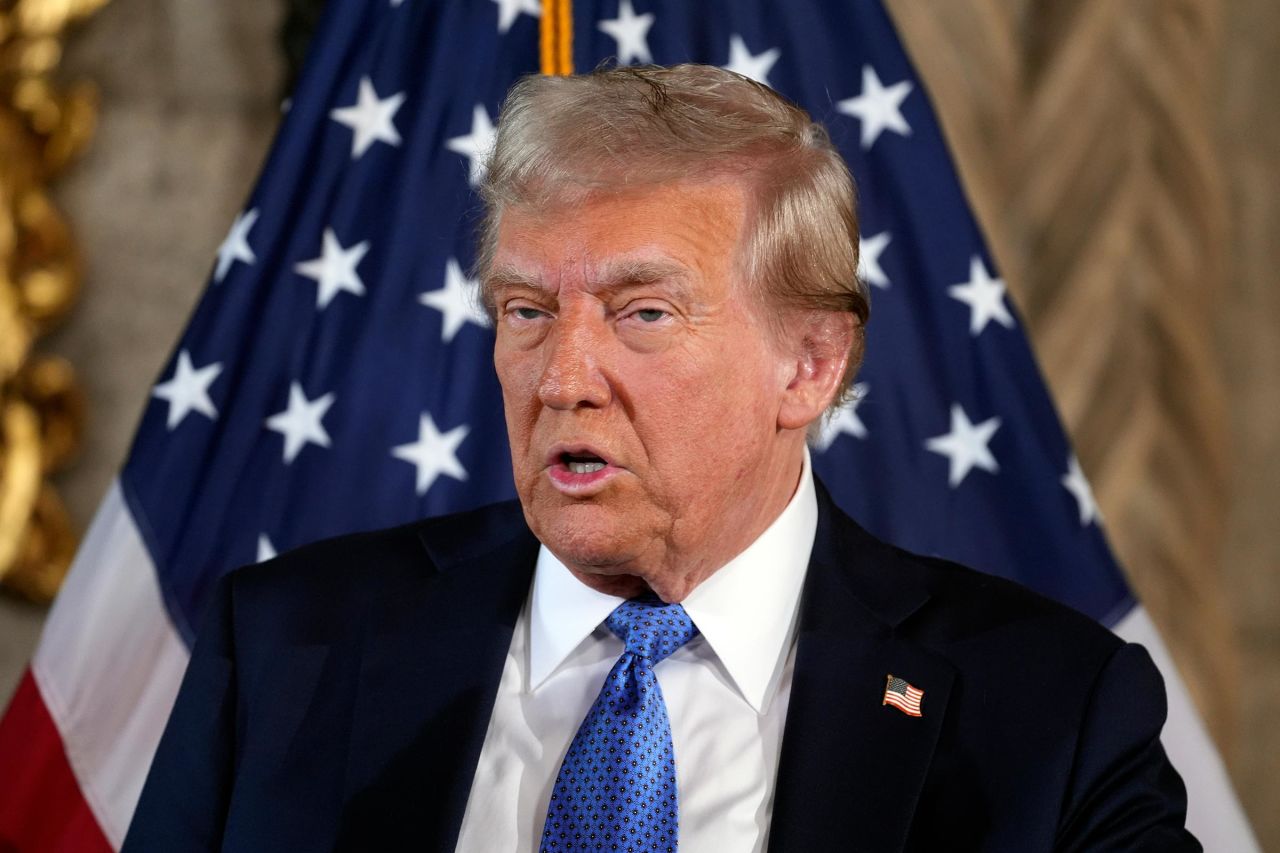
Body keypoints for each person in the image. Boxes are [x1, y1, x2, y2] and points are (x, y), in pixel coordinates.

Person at [123, 64, 1198, 852]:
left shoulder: (1050, 712)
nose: (561, 377)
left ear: (808, 366)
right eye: (527, 309)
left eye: (641, 312)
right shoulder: (282, 650)